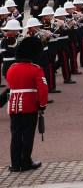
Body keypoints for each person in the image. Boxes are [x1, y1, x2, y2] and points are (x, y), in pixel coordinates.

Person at [6, 36, 48, 173]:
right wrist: (42, 105)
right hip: (29, 105)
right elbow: (43, 90)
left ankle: (15, 163)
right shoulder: (35, 69)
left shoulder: (12, 68)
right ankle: (26, 162)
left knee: (15, 134)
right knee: (28, 134)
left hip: (13, 105)